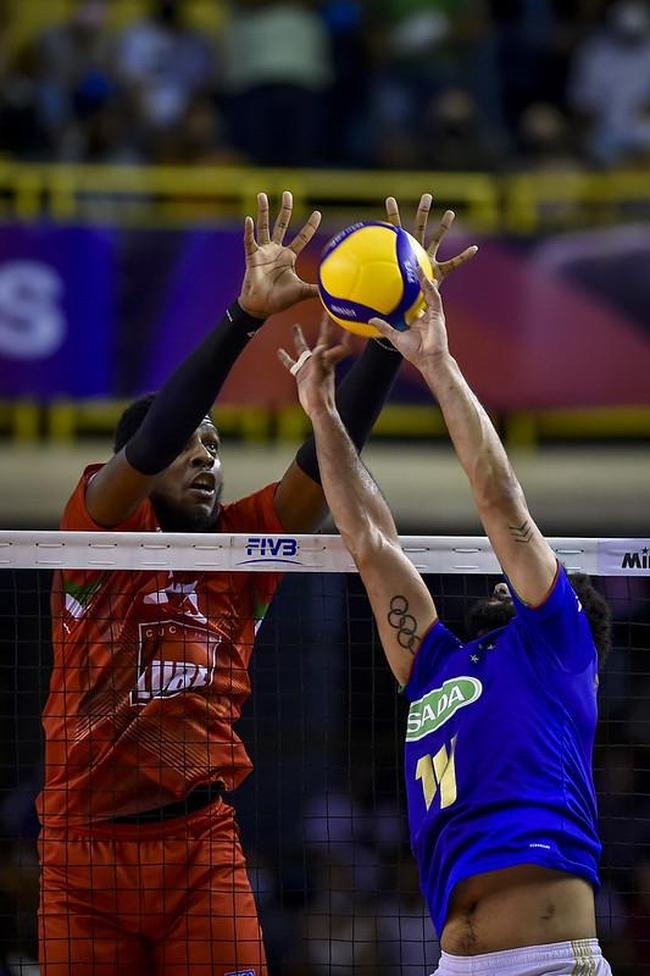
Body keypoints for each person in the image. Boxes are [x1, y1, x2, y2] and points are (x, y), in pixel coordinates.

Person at [36, 190, 475, 976]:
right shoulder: (97, 538)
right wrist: (242, 318)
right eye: (187, 445)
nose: (204, 456)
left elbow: (326, 461)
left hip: (200, 847)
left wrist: (391, 335)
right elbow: (153, 439)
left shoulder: (244, 552)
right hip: (83, 856)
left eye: (214, 446)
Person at [280, 200, 614, 976]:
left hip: (550, 959)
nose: (503, 580)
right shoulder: (437, 665)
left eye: (516, 583)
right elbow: (371, 545)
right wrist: (323, 414)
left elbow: (500, 502)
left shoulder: (555, 641)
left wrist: (435, 361)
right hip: (454, 963)